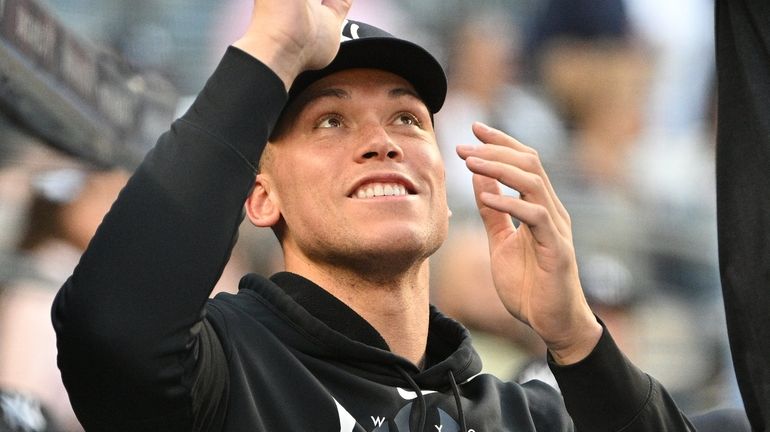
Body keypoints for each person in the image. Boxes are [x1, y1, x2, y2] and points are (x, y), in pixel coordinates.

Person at [52, 1, 698, 430]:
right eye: (330, 120)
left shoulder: (525, 412)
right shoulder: (223, 369)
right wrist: (273, 47)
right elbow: (111, 328)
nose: (381, 141)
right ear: (259, 196)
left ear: (444, 189)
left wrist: (577, 338)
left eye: (407, 119)